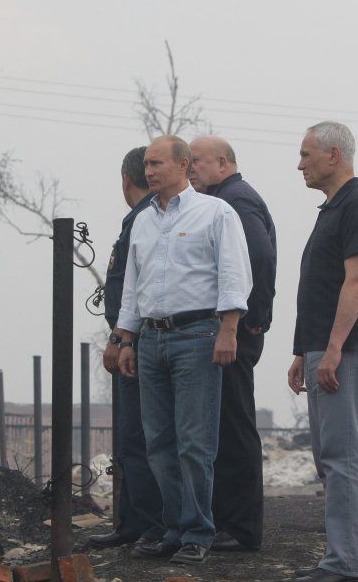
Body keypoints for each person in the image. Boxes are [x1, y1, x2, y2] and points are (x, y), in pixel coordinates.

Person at [116, 135, 253, 565]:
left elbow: (234, 272)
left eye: (157, 163)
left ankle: (198, 531)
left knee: (194, 442)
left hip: (197, 335)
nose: (149, 171)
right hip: (153, 337)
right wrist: (125, 338)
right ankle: (173, 528)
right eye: (146, 165)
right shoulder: (143, 221)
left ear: (183, 165)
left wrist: (228, 329)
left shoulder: (215, 213)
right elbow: (132, 287)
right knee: (158, 441)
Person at [287, 121, 358, 582]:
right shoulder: (332, 208)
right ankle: (355, 562)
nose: (300, 163)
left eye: (307, 154)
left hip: (343, 350)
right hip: (323, 349)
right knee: (339, 457)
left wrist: (332, 350)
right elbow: (319, 284)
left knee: (341, 458)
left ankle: (344, 564)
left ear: (334, 154)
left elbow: (357, 280)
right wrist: (301, 351)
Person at [189, 136, 276, 552]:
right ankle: (228, 522)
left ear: (222, 163)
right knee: (223, 425)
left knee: (234, 426)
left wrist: (249, 321)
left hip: (235, 331)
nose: (190, 170)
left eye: (196, 163)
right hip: (234, 328)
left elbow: (256, 257)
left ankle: (240, 528)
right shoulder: (225, 199)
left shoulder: (236, 201)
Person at [91, 146, 165, 548]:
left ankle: (149, 524)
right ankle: (133, 522)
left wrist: (121, 339)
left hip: (135, 344)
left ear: (125, 180)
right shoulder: (141, 221)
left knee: (138, 439)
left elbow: (133, 292)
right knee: (132, 439)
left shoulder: (144, 222)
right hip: (133, 340)